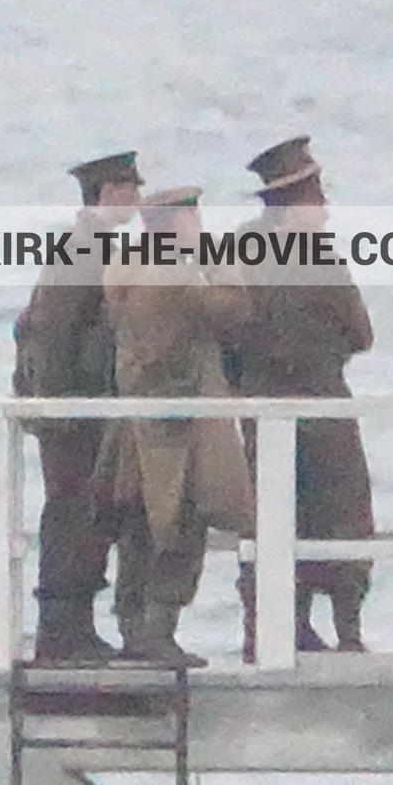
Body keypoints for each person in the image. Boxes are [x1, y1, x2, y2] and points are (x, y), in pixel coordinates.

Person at [94, 187, 256, 666]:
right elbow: (234, 310)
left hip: (138, 421)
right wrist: (219, 259)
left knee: (138, 527)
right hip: (180, 426)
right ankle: (157, 633)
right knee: (180, 526)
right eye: (193, 218)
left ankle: (132, 629)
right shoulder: (175, 274)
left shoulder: (128, 267)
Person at [228, 136, 376, 657]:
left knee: (273, 517)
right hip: (321, 405)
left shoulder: (238, 253)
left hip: (263, 408)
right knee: (341, 515)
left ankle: (269, 629)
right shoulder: (319, 258)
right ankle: (344, 631)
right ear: (295, 202)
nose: (326, 210)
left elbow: (228, 341)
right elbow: (361, 332)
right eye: (318, 198)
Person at [12, 150, 142, 662]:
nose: (136, 198)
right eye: (130, 189)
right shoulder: (87, 247)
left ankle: (73, 628)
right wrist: (62, 406)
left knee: (85, 514)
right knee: (75, 514)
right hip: (76, 412)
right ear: (109, 192)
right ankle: (64, 631)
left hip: (81, 408)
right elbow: (56, 333)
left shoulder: (91, 244)